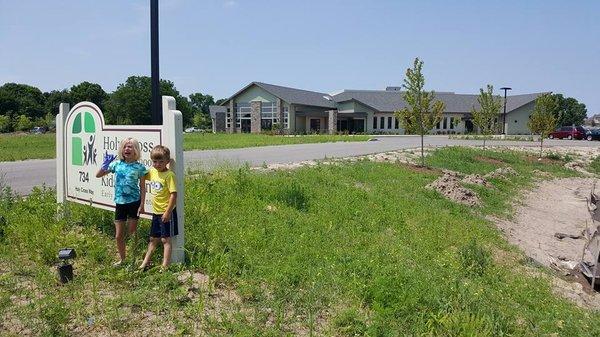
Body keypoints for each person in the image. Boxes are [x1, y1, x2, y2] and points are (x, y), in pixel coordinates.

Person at [96, 137, 148, 266]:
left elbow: (142, 187)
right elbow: (98, 175)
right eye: (125, 146)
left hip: (134, 203)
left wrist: (142, 204)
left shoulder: (139, 167)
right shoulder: (117, 164)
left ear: (135, 150)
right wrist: (104, 165)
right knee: (119, 235)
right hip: (120, 203)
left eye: (130, 147)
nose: (127, 149)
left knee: (132, 233)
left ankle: (136, 259)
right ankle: (123, 259)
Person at [139, 145, 178, 271]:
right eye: (155, 161)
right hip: (155, 212)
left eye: (161, 161)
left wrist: (167, 212)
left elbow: (173, 194)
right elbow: (141, 175)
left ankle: (164, 266)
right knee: (153, 239)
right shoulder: (152, 172)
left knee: (165, 239)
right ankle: (144, 263)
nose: (158, 164)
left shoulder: (169, 175)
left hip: (166, 212)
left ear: (167, 161)